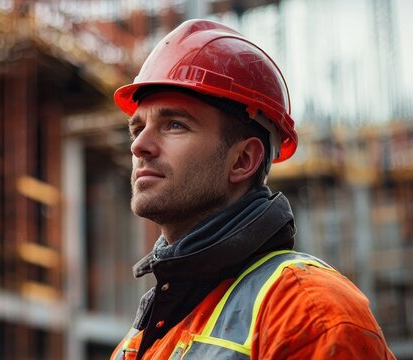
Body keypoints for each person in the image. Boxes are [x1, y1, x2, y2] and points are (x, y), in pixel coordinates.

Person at [110, 19, 395, 360]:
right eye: (137, 128)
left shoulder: (311, 313)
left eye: (174, 125)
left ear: (243, 160)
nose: (139, 146)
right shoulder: (141, 339)